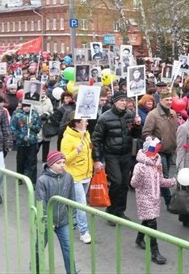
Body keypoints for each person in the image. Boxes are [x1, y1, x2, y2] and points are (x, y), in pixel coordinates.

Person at [92, 91, 142, 222]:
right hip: (111, 155)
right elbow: (96, 139)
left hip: (126, 153)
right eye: (121, 101)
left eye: (125, 101)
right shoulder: (104, 118)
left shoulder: (130, 115)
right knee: (117, 182)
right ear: (114, 102)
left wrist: (137, 125)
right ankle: (111, 209)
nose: (124, 103)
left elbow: (136, 135)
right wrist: (97, 159)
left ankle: (120, 211)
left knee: (125, 183)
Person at [131, 136, 177, 265]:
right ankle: (155, 252)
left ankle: (139, 239)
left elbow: (161, 181)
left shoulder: (158, 163)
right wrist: (139, 173)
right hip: (144, 198)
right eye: (153, 151)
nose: (155, 154)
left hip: (155, 198)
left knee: (147, 219)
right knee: (152, 222)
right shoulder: (140, 166)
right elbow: (134, 183)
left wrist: (173, 181)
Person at [35, 151, 77, 274]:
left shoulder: (68, 177)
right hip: (47, 221)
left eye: (64, 162)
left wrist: (73, 218)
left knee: (68, 249)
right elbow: (40, 203)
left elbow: (72, 199)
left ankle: (72, 272)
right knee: (39, 248)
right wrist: (47, 221)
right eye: (59, 163)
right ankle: (37, 269)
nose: (62, 165)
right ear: (51, 165)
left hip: (63, 220)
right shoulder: (42, 180)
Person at [60, 113, 93, 244]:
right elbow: (64, 159)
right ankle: (84, 232)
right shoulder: (67, 138)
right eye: (85, 120)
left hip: (86, 173)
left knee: (77, 201)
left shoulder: (86, 134)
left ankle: (72, 220)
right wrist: (76, 152)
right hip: (74, 175)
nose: (87, 123)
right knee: (81, 204)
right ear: (76, 123)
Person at [142, 91, 178, 207]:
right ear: (160, 100)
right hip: (159, 151)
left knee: (163, 176)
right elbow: (146, 133)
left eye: (170, 100)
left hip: (170, 150)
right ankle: (169, 201)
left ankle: (160, 195)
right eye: (166, 100)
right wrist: (157, 141)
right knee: (164, 176)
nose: (169, 102)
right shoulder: (153, 115)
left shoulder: (173, 113)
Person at [11, 102, 42, 185]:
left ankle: (32, 181)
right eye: (25, 106)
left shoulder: (35, 115)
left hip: (32, 142)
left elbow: (39, 128)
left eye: (28, 106)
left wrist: (33, 127)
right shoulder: (17, 115)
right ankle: (19, 178)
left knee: (32, 162)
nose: (26, 108)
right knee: (20, 161)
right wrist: (22, 136)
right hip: (21, 143)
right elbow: (12, 128)